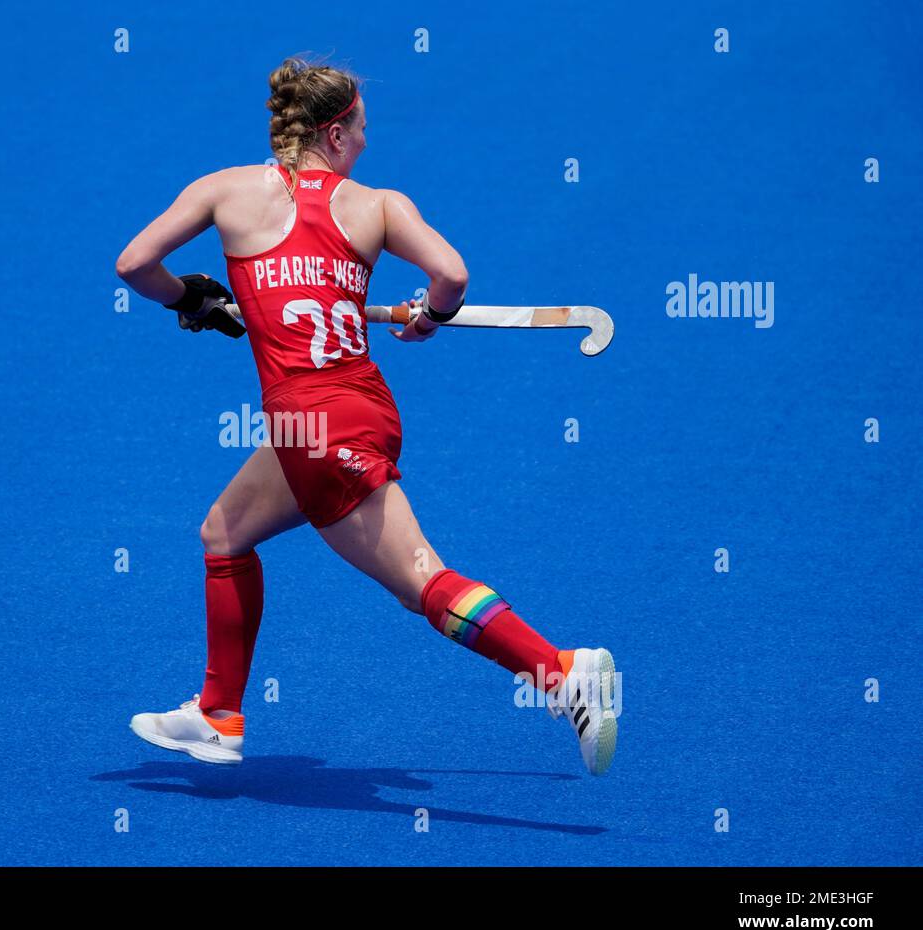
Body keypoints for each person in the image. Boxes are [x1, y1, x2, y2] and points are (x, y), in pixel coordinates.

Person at [114, 56, 617, 775]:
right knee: (225, 532)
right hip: (354, 413)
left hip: (312, 426)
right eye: (362, 128)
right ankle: (218, 715)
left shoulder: (223, 190)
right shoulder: (379, 206)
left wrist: (189, 298)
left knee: (422, 581)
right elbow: (451, 276)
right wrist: (430, 317)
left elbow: (135, 264)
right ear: (336, 133)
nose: (367, 143)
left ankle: (562, 672)